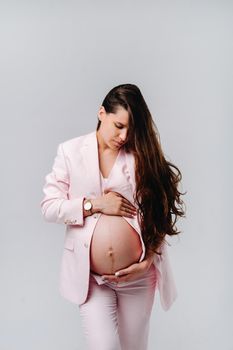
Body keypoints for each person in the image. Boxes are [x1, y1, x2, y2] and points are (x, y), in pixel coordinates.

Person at [40, 83, 186, 350]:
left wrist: (147, 261)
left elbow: (159, 211)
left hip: (137, 278)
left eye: (131, 129)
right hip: (92, 279)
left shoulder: (140, 156)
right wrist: (94, 205)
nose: (124, 135)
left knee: (134, 347)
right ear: (101, 113)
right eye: (119, 125)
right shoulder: (70, 152)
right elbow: (49, 207)